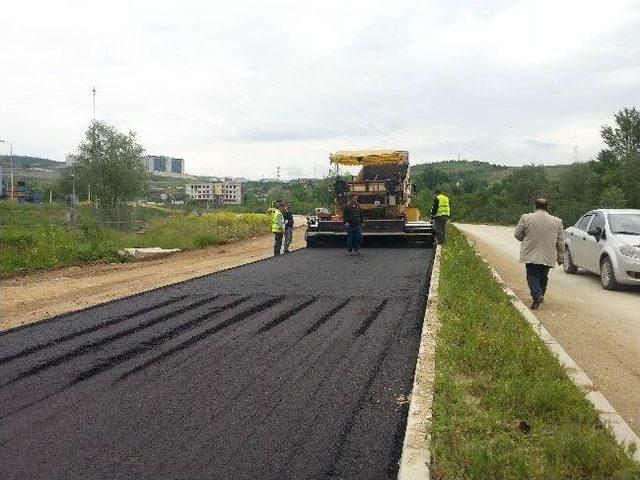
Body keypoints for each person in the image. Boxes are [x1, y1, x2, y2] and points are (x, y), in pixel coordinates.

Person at [514, 198, 564, 310]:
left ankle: (537, 295)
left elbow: (517, 234)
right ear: (547, 207)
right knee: (543, 276)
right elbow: (560, 241)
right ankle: (539, 296)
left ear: (534, 206)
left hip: (531, 253)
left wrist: (525, 238)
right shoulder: (557, 221)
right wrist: (561, 257)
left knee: (532, 275)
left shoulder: (526, 218)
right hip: (548, 255)